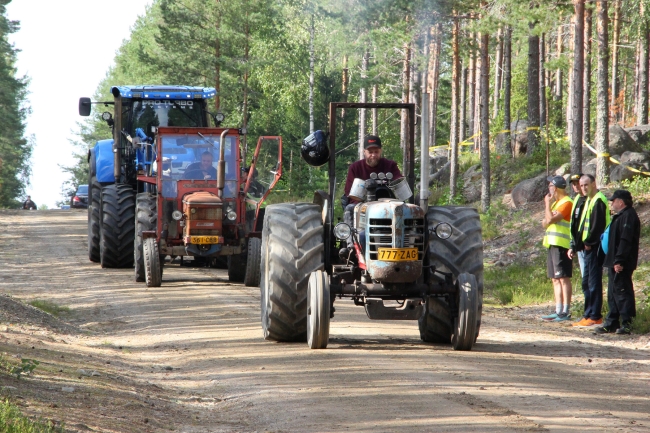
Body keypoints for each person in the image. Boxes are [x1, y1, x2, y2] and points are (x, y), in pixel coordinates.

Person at [342, 135, 402, 248]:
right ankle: (351, 245)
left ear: (381, 151)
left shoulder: (390, 165)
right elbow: (349, 193)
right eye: (370, 152)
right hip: (362, 206)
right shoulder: (355, 168)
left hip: (389, 205)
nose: (373, 155)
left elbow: (400, 184)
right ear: (364, 152)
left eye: (376, 151)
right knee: (349, 209)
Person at [594, 190, 640, 335]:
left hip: (622, 262)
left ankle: (627, 323)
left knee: (622, 291)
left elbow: (625, 241)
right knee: (613, 292)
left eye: (613, 201)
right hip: (613, 260)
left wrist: (619, 260)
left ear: (621, 202)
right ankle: (612, 322)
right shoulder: (620, 216)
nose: (612, 203)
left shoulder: (628, 216)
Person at [568, 174, 610, 327]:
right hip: (587, 248)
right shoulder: (589, 200)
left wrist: (589, 243)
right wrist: (577, 245)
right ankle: (588, 314)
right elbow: (581, 225)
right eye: (582, 185)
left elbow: (597, 226)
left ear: (593, 184)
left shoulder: (598, 200)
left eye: (586, 185)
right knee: (586, 282)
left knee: (593, 282)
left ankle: (595, 315)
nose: (584, 188)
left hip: (594, 247)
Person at [540, 176, 574, 322]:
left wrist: (547, 205)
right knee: (555, 278)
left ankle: (565, 311)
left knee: (563, 277)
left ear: (557, 188)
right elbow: (544, 223)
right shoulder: (557, 204)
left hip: (562, 245)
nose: (549, 189)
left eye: (550, 186)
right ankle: (558, 309)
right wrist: (549, 211)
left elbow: (551, 220)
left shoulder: (566, 203)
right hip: (552, 243)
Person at [568, 173, 587, 277]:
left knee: (590, 278)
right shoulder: (576, 199)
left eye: (577, 183)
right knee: (584, 276)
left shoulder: (590, 199)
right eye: (574, 184)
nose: (576, 186)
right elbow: (574, 224)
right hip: (579, 244)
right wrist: (573, 245)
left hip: (588, 244)